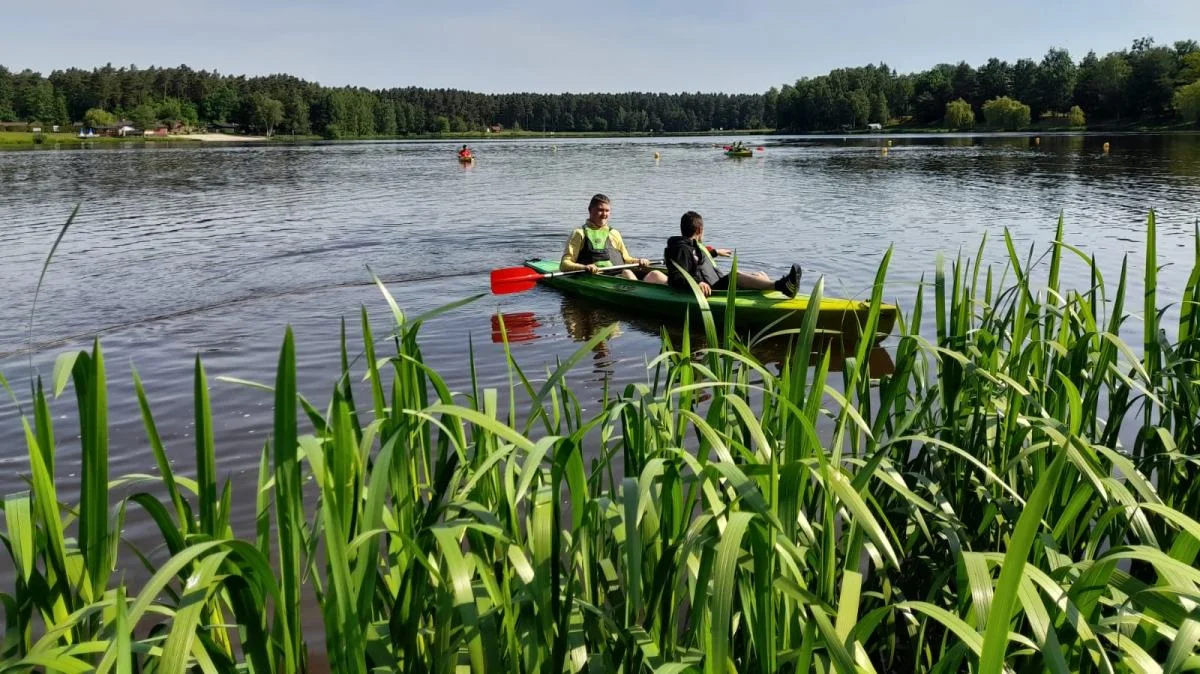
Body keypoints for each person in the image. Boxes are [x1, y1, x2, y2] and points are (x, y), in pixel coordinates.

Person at [664, 211, 800, 298]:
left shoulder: (691, 246)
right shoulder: (680, 249)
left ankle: (781, 286)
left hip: (715, 284)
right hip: (711, 291)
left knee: (760, 274)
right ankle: (782, 286)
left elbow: (697, 257)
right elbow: (677, 276)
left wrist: (715, 252)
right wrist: (698, 283)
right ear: (700, 230)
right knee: (736, 276)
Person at [560, 194, 668, 284]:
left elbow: (627, 260)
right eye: (600, 210)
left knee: (655, 274)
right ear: (590, 210)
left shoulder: (614, 233)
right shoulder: (579, 233)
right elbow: (564, 264)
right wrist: (584, 267)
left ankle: (679, 292)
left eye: (607, 211)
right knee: (627, 273)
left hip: (619, 275)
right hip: (598, 277)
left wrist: (639, 261)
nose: (604, 214)